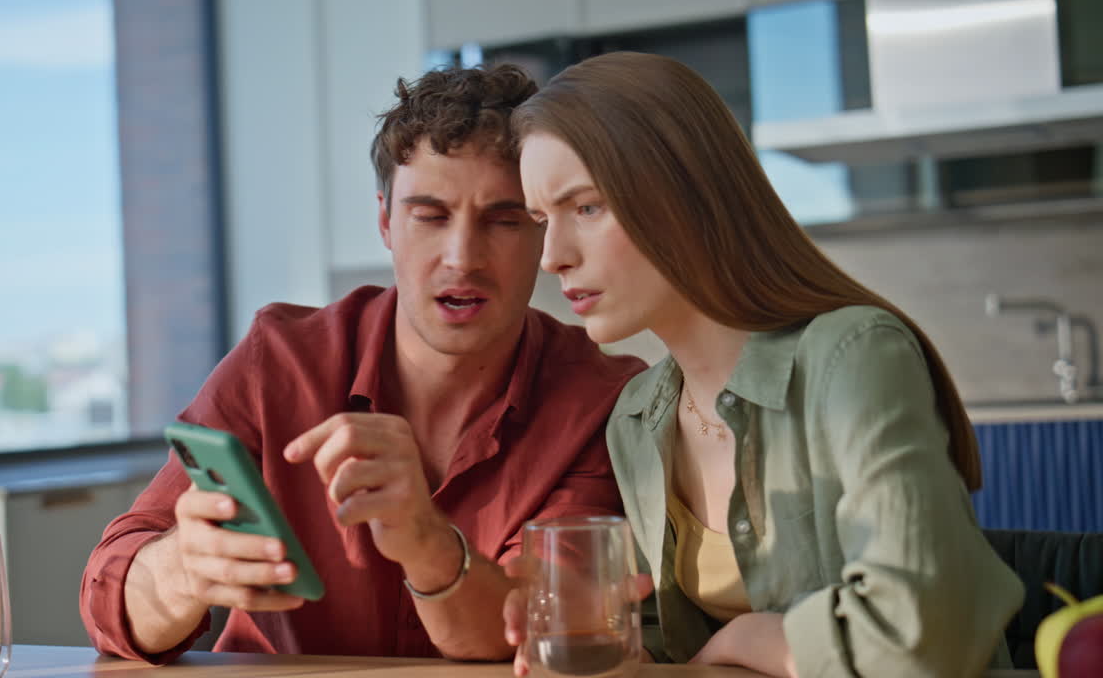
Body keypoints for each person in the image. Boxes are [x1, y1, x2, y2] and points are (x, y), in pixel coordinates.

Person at [79, 63, 646, 664]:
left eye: (504, 220)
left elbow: (526, 626)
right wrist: (180, 570)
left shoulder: (600, 401)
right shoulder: (279, 360)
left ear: (542, 232)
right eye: (430, 216)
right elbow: (109, 603)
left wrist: (425, 541)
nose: (463, 258)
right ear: (385, 222)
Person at [505, 51, 1023, 678]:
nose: (552, 256)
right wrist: (611, 644)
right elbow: (666, 645)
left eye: (587, 207)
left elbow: (922, 632)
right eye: (542, 220)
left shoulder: (853, 356)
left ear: (683, 194)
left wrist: (749, 638)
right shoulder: (636, 417)